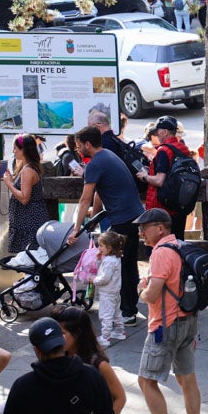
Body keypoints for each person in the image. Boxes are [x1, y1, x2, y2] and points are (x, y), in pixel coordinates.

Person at [134, 209, 205, 414]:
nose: (141, 232)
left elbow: (152, 296)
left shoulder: (161, 253)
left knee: (146, 381)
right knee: (187, 379)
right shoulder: (181, 246)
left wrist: (141, 290)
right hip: (189, 321)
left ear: (161, 228)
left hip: (166, 325)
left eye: (145, 227)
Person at [72, 125, 145, 326]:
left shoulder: (95, 164)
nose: (78, 150)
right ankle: (129, 308)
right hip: (132, 215)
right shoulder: (109, 155)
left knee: (121, 267)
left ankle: (128, 312)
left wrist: (77, 229)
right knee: (128, 264)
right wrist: (93, 217)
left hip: (122, 219)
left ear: (88, 144)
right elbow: (99, 193)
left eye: (79, 146)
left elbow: (84, 199)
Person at [135, 116, 194, 240]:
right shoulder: (183, 149)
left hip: (163, 209)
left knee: (160, 245)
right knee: (177, 243)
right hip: (179, 205)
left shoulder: (164, 151)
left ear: (164, 132)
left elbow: (159, 180)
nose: (155, 134)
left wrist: (145, 176)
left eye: (157, 131)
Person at [2, 134, 48, 253]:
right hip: (28, 219)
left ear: (23, 150)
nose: (13, 151)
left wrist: (9, 184)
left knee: (29, 258)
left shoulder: (27, 170)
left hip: (29, 220)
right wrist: (12, 180)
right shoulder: (29, 167)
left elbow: (24, 198)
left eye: (15, 148)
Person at [91, 231, 125, 347]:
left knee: (105, 315)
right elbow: (105, 271)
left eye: (101, 246)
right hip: (115, 291)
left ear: (109, 248)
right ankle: (120, 332)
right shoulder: (115, 258)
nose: (99, 248)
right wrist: (100, 260)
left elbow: (105, 278)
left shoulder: (109, 261)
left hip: (107, 293)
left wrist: (94, 280)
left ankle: (105, 337)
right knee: (116, 312)